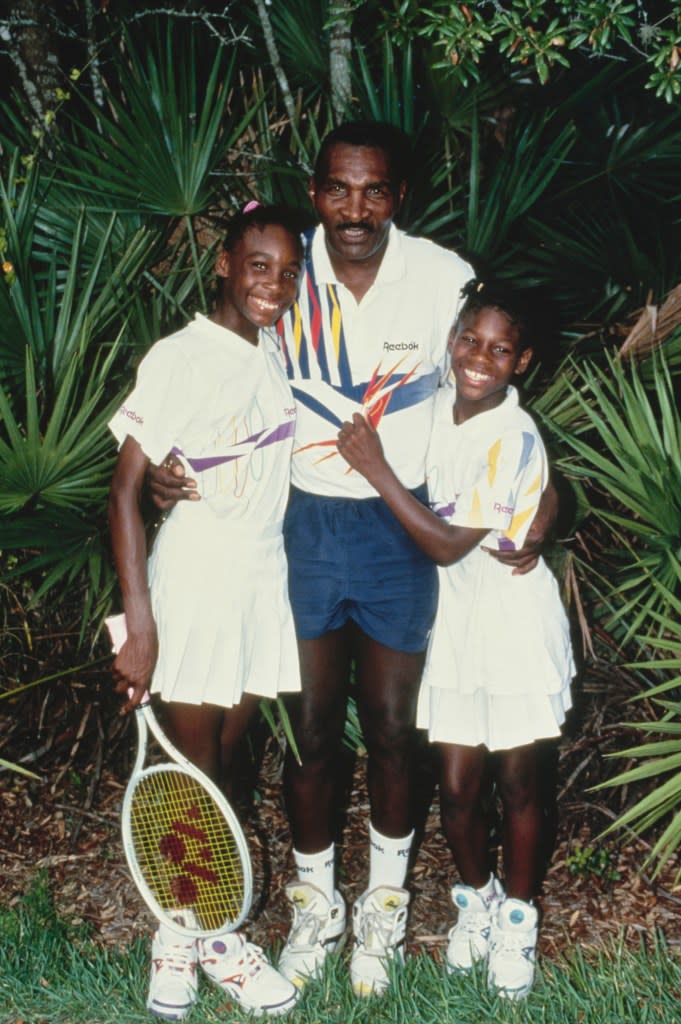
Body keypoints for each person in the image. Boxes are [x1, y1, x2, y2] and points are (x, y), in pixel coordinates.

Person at [147, 122, 557, 999]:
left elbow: (492, 402)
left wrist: (545, 506)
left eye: (373, 190)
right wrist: (161, 475)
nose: (355, 209)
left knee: (394, 731)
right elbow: (218, 382)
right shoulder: (284, 266)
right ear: (316, 189)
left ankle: (382, 909)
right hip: (301, 528)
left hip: (399, 533)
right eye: (338, 188)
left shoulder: (443, 277)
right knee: (309, 733)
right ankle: (314, 908)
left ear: (397, 195)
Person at [336, 280, 575, 1000]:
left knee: (519, 780)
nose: (480, 358)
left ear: (521, 361)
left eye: (499, 349)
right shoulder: (431, 405)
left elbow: (444, 544)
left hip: (508, 622)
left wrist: (372, 467)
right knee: (457, 783)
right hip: (449, 622)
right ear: (451, 340)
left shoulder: (515, 434)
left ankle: (518, 921)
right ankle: (476, 899)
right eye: (470, 340)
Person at [107, 205, 305, 1021]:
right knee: (195, 782)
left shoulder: (275, 351)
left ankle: (183, 934)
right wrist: (140, 625)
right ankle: (197, 940)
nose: (274, 284)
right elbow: (124, 493)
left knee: (224, 763)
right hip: (191, 583)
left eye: (289, 272)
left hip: (261, 584)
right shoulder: (179, 355)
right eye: (259, 266)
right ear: (224, 264)